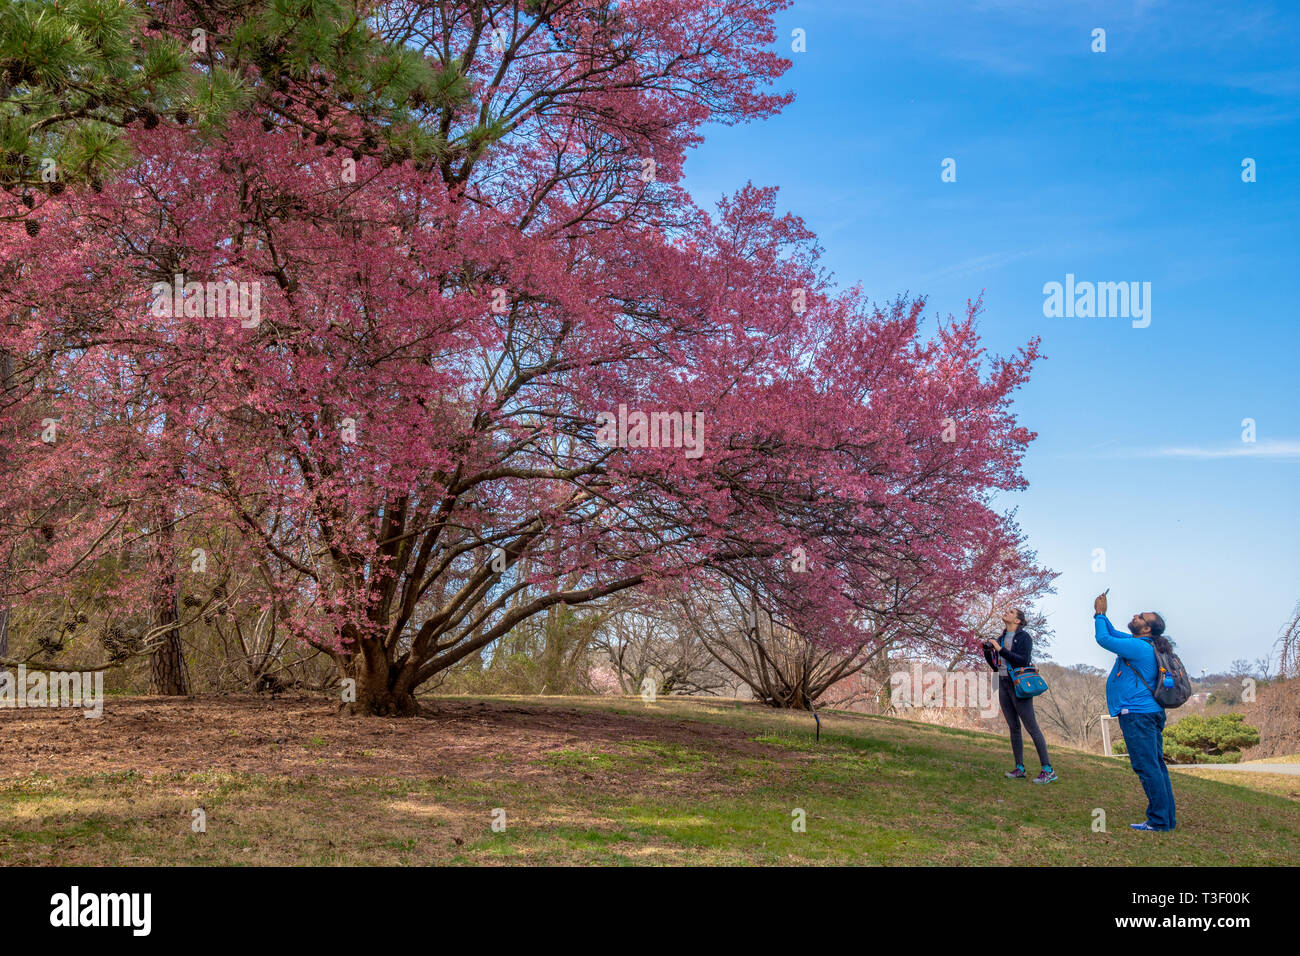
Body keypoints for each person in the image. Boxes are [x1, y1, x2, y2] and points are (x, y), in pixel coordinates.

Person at [1093, 591, 1176, 832]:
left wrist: (1099, 615)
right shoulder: (1144, 645)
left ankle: (1159, 821)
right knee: (1156, 765)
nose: (1135, 616)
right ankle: (1165, 820)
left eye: (1140, 617)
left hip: (1138, 715)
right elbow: (1115, 635)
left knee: (1147, 767)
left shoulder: (1139, 648)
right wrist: (1101, 615)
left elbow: (1104, 640)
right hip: (1148, 713)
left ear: (1148, 629)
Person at [982, 609, 1056, 783]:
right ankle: (1019, 768)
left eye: (1011, 612)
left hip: (1018, 685)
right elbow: (996, 664)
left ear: (1017, 621)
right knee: (1013, 727)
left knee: (1031, 727)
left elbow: (1022, 660)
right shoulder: (1000, 638)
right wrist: (988, 651)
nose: (1006, 613)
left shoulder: (1024, 638)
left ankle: (1048, 769)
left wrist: (1000, 649)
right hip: (1002, 683)